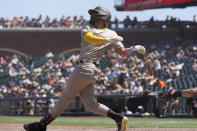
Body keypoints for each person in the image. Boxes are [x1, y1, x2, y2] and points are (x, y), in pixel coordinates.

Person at [23, 6, 146, 131]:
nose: (92, 17)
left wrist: (135, 48)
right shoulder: (89, 26)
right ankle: (119, 118)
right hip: (90, 70)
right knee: (90, 104)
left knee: (64, 98)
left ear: (102, 18)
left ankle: (42, 125)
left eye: (95, 15)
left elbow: (122, 53)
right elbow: (89, 38)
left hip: (85, 67)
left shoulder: (112, 33)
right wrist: (107, 40)